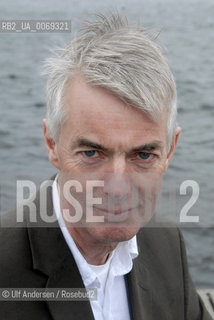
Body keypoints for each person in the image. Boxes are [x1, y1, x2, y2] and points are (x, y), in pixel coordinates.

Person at [0, 12, 212, 320]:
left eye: (142, 156)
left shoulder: (166, 245)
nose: (116, 187)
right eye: (91, 153)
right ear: (52, 144)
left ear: (170, 150)